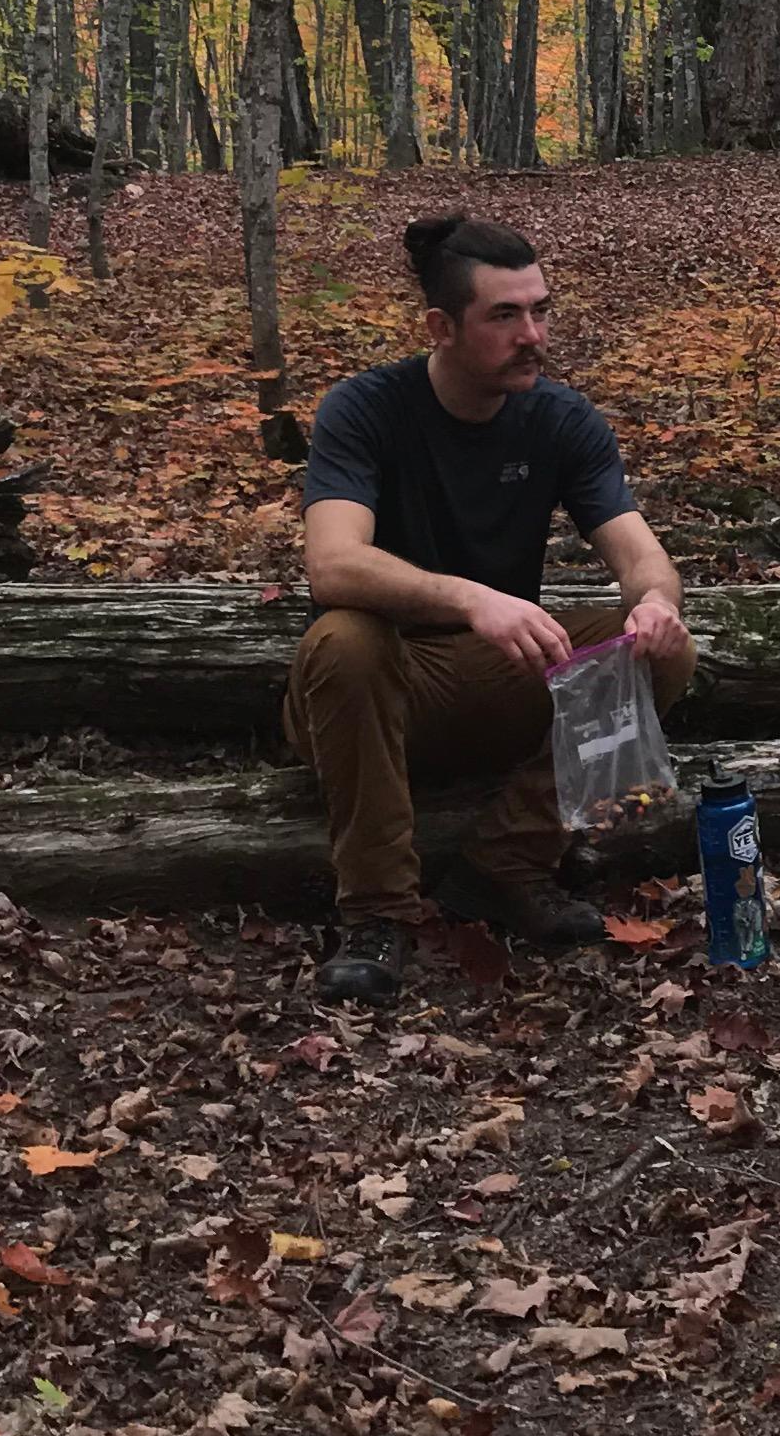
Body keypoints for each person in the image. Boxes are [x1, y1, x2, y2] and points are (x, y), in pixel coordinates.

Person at [290, 212, 694, 1004]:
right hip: (378, 691)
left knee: (664, 649)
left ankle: (504, 866)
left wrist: (653, 605)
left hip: (493, 684)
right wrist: (473, 598)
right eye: (505, 316)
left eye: (541, 310)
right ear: (441, 327)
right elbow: (331, 564)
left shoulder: (561, 419)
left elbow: (643, 557)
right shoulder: (366, 409)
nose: (533, 334)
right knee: (343, 640)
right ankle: (377, 912)